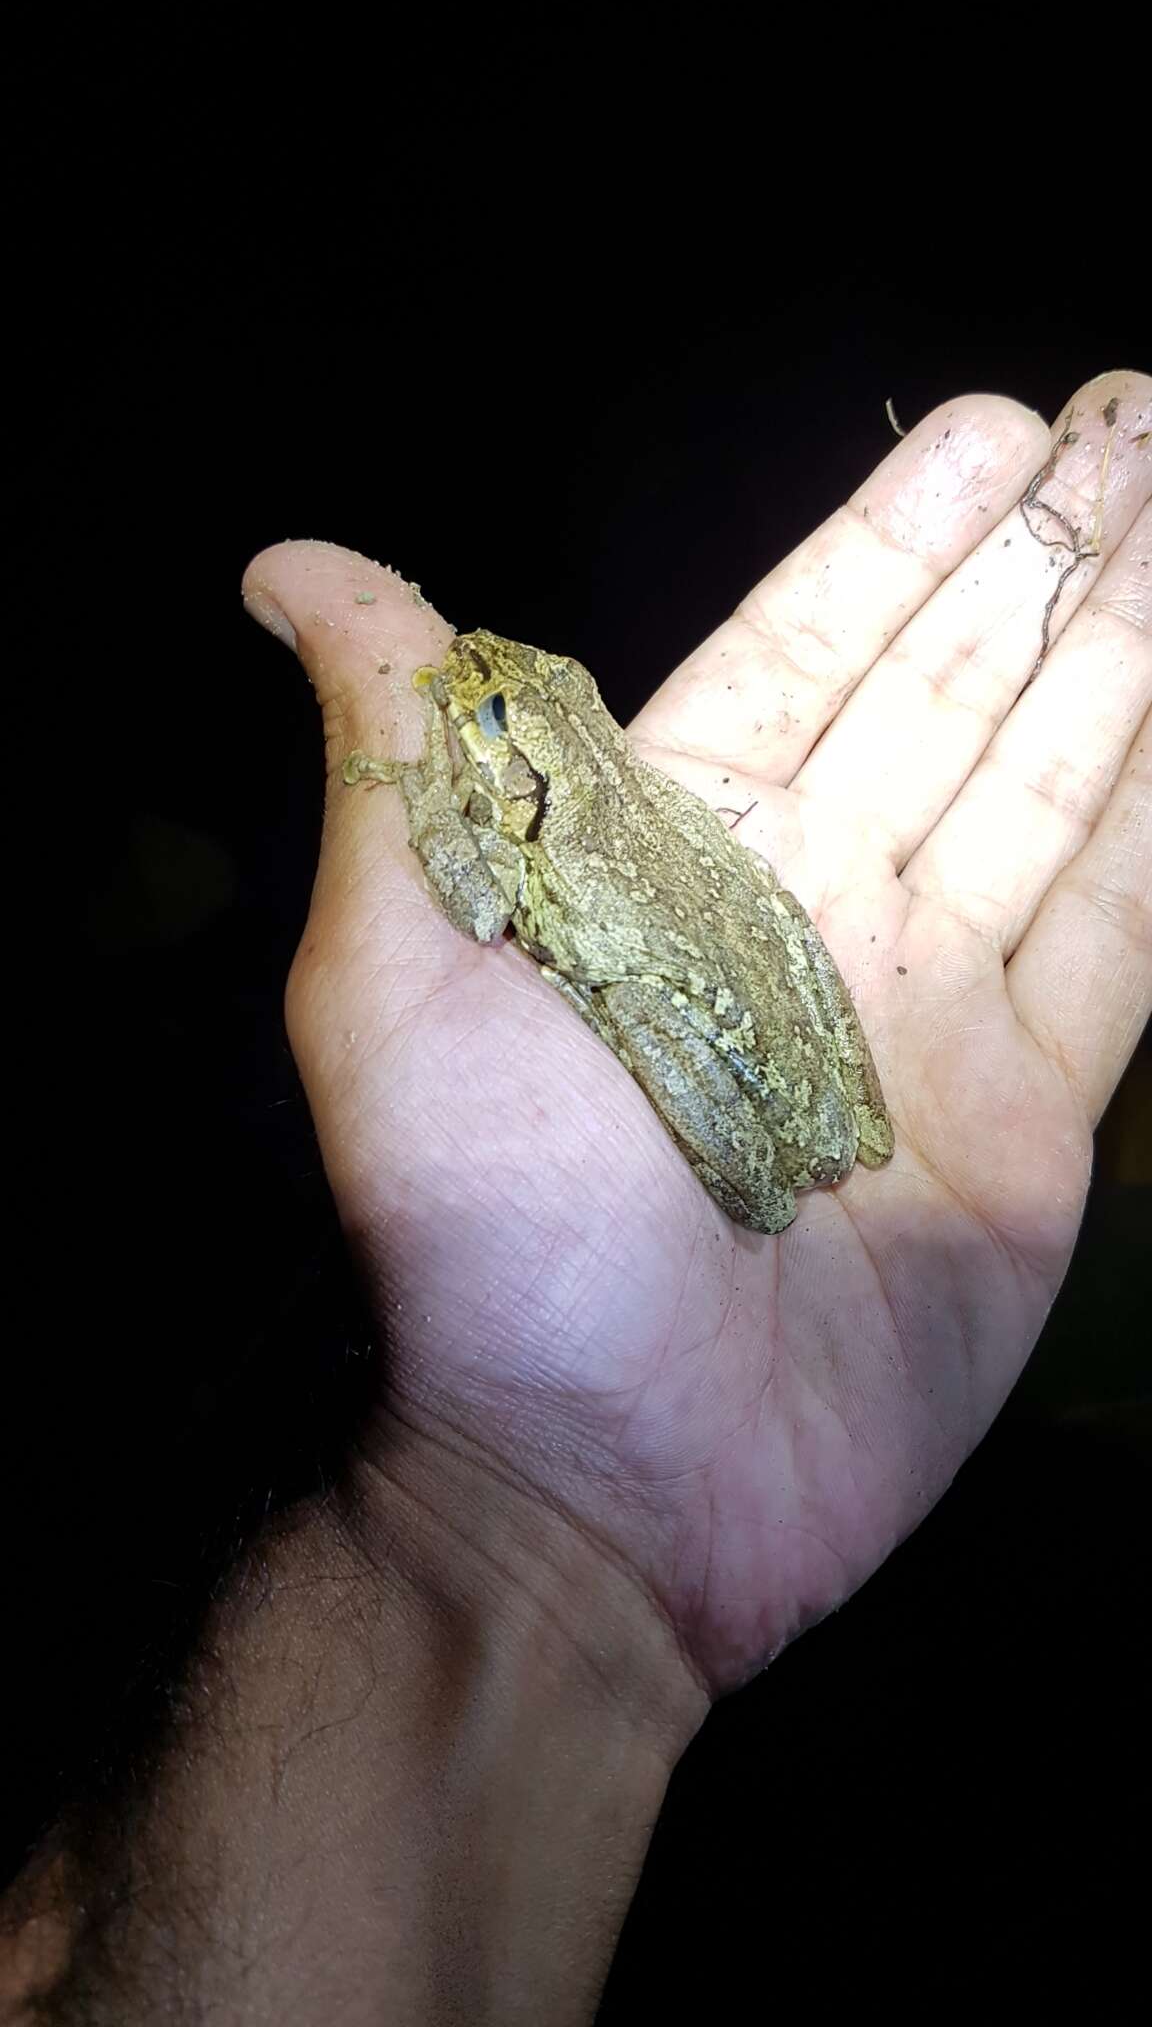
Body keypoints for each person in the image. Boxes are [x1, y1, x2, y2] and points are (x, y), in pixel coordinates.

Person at [3, 372, 1149, 2024]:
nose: (466, 707)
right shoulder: (558, 800)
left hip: (727, 1012)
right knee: (746, 1014)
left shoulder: (524, 826)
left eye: (499, 718)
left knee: (741, 1089)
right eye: (481, 710)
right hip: (723, 942)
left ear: (549, 756)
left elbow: (476, 878)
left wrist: (436, 790)